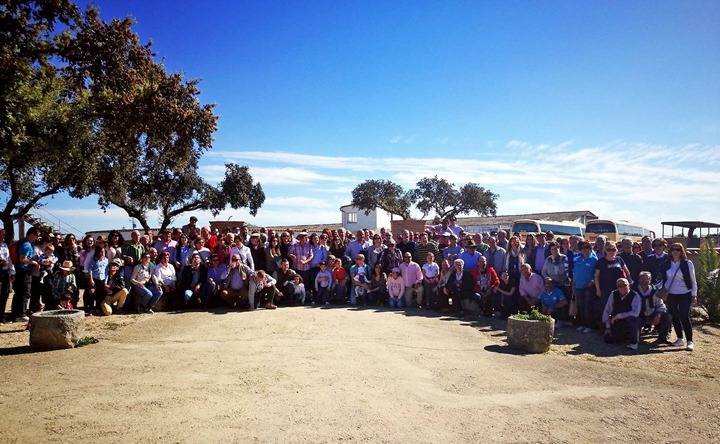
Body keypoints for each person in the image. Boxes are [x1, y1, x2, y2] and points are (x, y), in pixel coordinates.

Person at [660, 243, 698, 351]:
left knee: (684, 316)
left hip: (685, 293)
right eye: (673, 249)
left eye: (678, 249)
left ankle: (690, 341)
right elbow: (665, 280)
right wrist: (662, 292)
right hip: (671, 294)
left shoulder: (687, 263)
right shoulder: (666, 264)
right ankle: (680, 338)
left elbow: (693, 280)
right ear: (670, 252)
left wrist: (694, 294)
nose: (675, 251)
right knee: (674, 316)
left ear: (681, 252)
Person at [594, 242, 631, 334]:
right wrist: (598, 289)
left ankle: (616, 326)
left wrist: (629, 283)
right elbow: (596, 276)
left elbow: (627, 271)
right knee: (606, 308)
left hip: (619, 288)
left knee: (618, 307)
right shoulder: (601, 261)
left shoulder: (619, 259)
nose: (611, 251)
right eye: (609, 249)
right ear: (605, 251)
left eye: (613, 249)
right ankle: (605, 327)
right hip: (605, 288)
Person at [633, 271, 672, 344]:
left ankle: (663, 337)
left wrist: (658, 315)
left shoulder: (655, 290)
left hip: (652, 314)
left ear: (650, 280)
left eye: (647, 279)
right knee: (633, 321)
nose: (644, 281)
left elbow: (661, 305)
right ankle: (634, 337)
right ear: (639, 280)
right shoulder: (633, 291)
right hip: (639, 315)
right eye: (642, 278)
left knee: (667, 316)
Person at [602, 278, 641, 350]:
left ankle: (634, 343)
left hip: (629, 320)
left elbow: (636, 313)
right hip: (616, 321)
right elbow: (607, 310)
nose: (622, 287)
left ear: (629, 285)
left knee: (634, 320)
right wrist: (608, 327)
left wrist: (618, 316)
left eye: (624, 285)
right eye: (619, 286)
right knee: (608, 339)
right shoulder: (613, 293)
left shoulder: (635, 295)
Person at [573, 241, 599, 333]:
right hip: (578, 286)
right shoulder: (577, 259)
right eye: (582, 248)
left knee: (588, 307)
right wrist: (573, 285)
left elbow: (597, 273)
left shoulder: (594, 259)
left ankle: (590, 325)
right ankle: (583, 324)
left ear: (589, 248)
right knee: (581, 307)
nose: (584, 249)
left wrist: (592, 282)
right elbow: (575, 273)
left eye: (586, 247)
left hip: (589, 287)